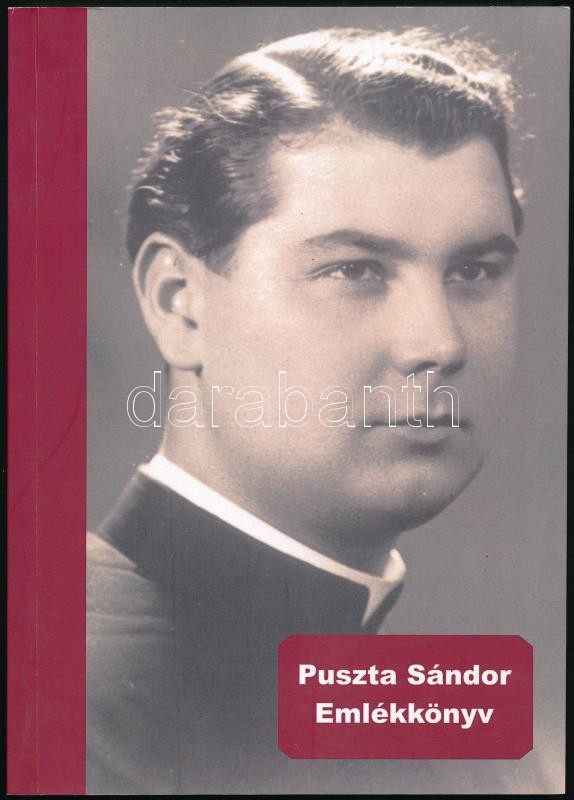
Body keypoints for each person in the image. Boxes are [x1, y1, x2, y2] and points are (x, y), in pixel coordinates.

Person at [87, 26, 525, 793]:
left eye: (473, 271)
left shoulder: (460, 734)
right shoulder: (52, 692)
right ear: (178, 302)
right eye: (354, 270)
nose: (440, 342)